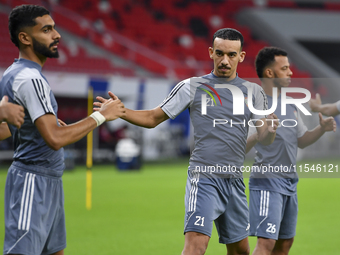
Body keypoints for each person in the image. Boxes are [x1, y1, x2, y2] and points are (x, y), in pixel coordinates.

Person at [95, 28, 278, 255]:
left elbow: (265, 139)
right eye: (219, 53)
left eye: (231, 55)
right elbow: (153, 118)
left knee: (241, 250)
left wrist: (270, 131)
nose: (224, 60)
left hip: (234, 180)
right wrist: (122, 112)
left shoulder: (254, 93)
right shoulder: (191, 86)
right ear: (211, 52)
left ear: (241, 56)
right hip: (204, 178)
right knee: (196, 247)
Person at [0, 5, 126, 255]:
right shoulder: (30, 79)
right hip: (32, 181)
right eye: (46, 30)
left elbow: (6, 130)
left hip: (49, 180)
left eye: (54, 28)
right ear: (24, 38)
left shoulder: (16, 73)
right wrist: (101, 116)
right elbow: (55, 140)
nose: (57, 35)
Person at [246, 47, 336, 255]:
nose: (290, 72)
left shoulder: (289, 105)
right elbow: (239, 147)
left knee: (285, 244)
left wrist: (321, 129)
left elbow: (302, 141)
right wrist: (260, 135)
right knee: (266, 244)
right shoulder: (254, 104)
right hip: (267, 181)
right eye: (284, 68)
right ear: (270, 73)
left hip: (289, 181)